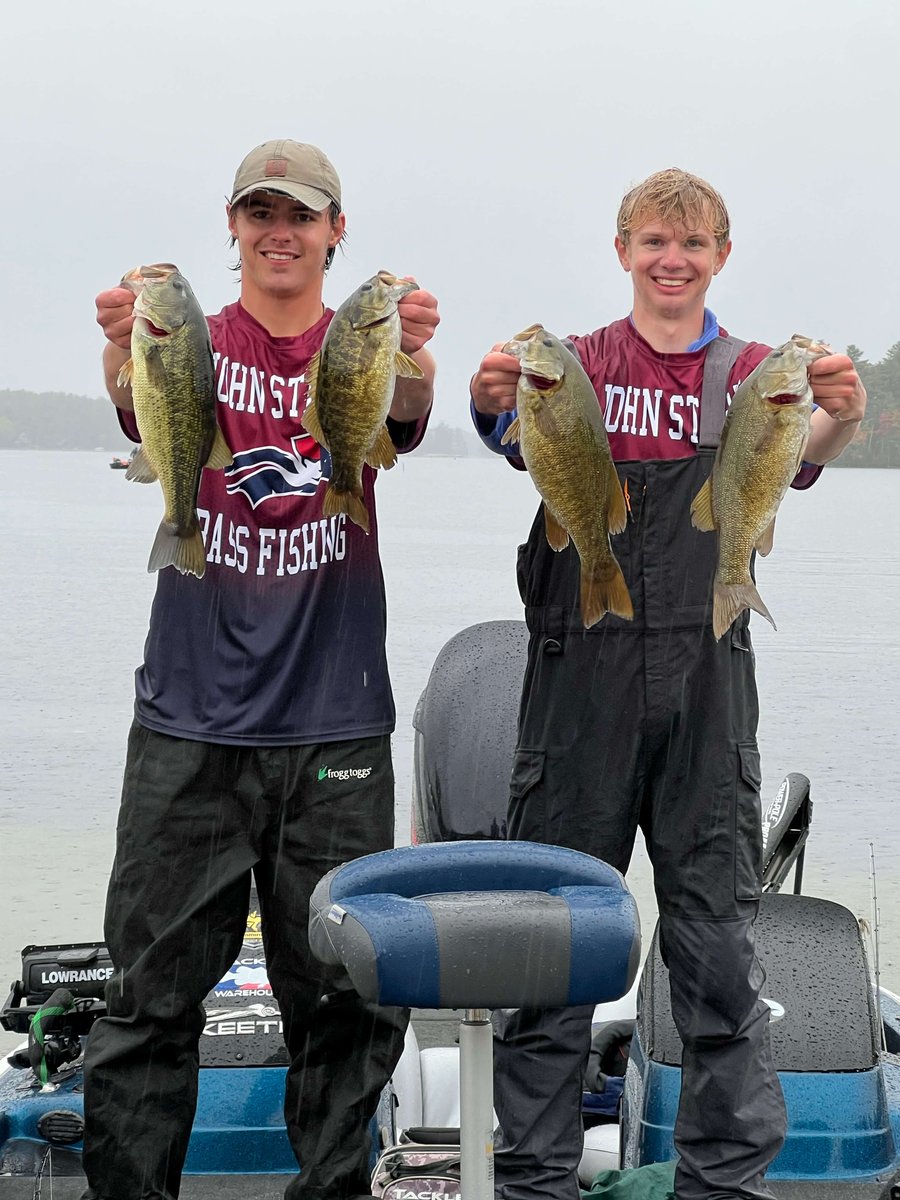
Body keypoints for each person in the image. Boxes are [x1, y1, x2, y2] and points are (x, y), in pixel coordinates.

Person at [468, 167, 866, 1200]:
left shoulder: (749, 377)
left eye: (691, 244)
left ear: (720, 256)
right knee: (551, 950)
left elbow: (801, 457)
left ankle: (722, 1183)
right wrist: (487, 399)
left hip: (709, 689)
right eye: (653, 241)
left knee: (720, 960)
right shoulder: (580, 364)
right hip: (575, 696)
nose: (671, 259)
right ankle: (533, 1182)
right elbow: (516, 443)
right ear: (623, 251)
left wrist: (841, 420)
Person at [86, 138, 440, 1200]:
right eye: (259, 213)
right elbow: (137, 402)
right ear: (232, 228)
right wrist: (120, 352)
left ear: (338, 233)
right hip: (186, 726)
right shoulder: (186, 337)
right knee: (146, 1003)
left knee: (343, 1004)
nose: (279, 231)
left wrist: (414, 356)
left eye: (302, 214)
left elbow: (410, 418)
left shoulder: (364, 344)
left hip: (335, 728)